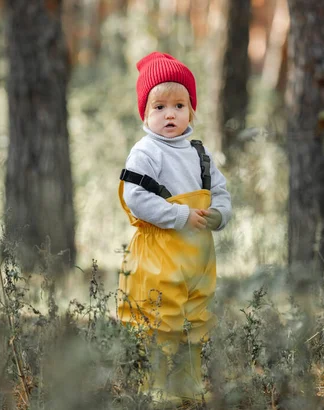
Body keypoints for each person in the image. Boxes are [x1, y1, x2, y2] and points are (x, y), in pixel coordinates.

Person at [117, 51, 232, 403]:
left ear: (191, 111)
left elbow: (220, 191)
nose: (170, 114)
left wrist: (219, 213)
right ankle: (155, 387)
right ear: (145, 113)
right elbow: (136, 196)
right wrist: (180, 216)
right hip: (158, 251)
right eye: (160, 107)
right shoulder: (146, 152)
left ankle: (187, 385)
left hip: (196, 254)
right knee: (158, 317)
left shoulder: (199, 152)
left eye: (179, 105)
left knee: (194, 318)